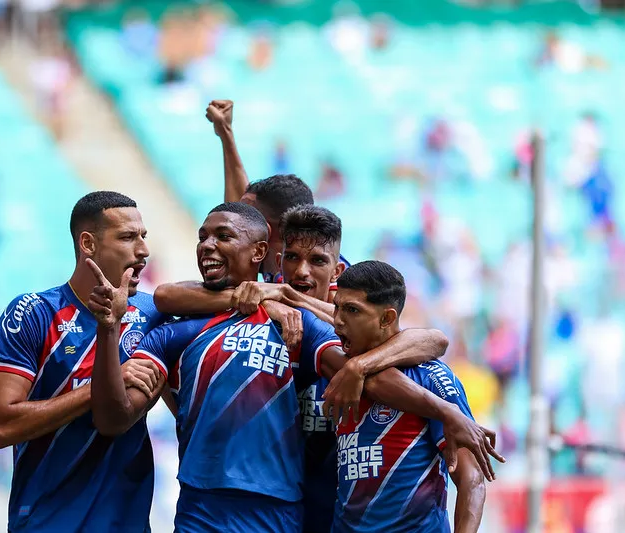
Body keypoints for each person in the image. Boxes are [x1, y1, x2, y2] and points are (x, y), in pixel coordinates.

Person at [86, 202, 501, 533]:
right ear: (277, 262)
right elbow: (166, 298)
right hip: (215, 510)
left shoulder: (335, 336)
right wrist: (110, 336)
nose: (302, 271)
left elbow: (424, 343)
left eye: (316, 261)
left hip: (288, 515)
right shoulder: (199, 325)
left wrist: (368, 372)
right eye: (293, 260)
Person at [0, 191, 167, 532]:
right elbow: (0, 425)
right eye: (127, 237)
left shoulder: (152, 314)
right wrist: (100, 389)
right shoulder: (35, 313)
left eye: (143, 237)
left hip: (125, 523)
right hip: (46, 522)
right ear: (88, 244)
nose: (142, 250)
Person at [332, 261, 486, 532]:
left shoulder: (431, 377)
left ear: (387, 319)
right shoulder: (340, 368)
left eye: (352, 310)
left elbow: (471, 480)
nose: (337, 320)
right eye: (337, 307)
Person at [205, 99, 350, 299]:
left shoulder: (330, 275)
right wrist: (225, 133)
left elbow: (342, 319)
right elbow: (239, 201)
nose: (237, 219)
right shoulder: (266, 251)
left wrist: (281, 295)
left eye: (247, 216)